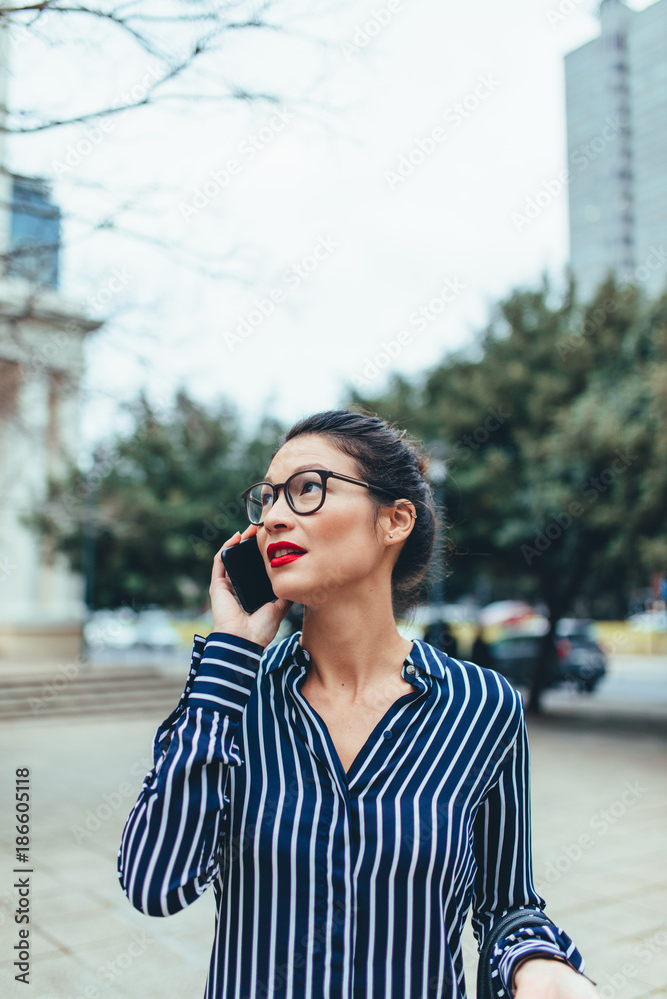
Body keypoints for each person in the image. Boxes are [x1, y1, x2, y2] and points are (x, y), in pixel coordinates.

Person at [117, 409, 598, 999]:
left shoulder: (482, 706)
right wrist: (228, 657)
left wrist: (540, 966)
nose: (272, 517)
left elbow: (509, 908)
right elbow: (154, 883)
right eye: (266, 499)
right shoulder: (232, 695)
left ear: (394, 520)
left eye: (307, 490)